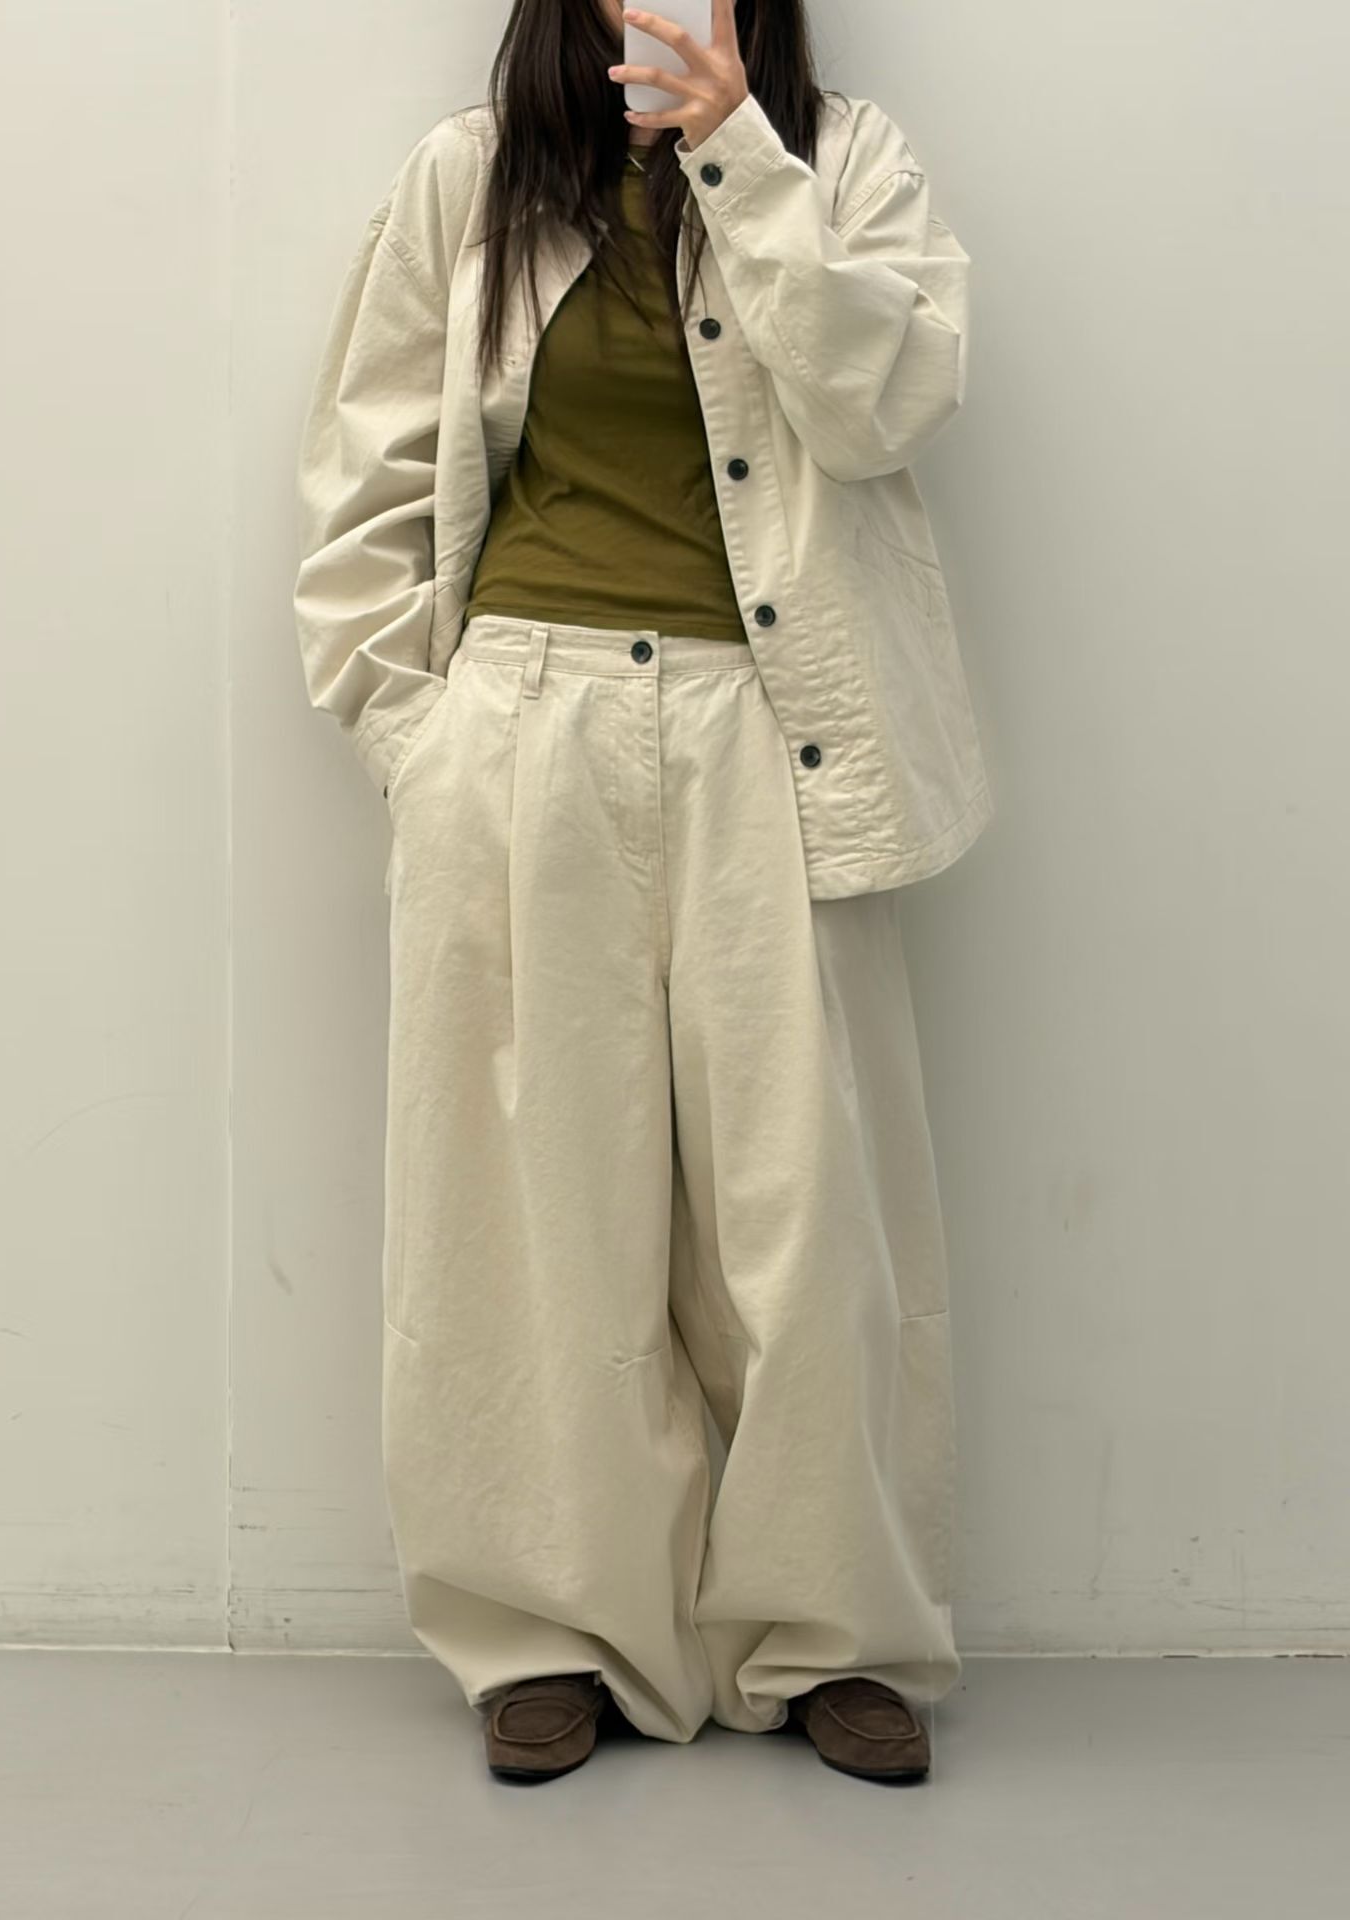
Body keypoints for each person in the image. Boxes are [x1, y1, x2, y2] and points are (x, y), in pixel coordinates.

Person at [293, 0, 992, 1785]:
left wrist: (738, 152)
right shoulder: (474, 179)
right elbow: (365, 487)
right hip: (524, 729)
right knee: (534, 1212)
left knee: (807, 1213)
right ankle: (552, 1630)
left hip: (779, 732)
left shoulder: (847, 163)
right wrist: (421, 738)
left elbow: (890, 400)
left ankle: (834, 1632)